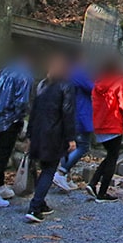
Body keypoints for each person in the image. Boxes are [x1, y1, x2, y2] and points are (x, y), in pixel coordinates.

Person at [25, 51, 76, 223]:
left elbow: (33, 111)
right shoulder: (66, 86)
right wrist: (71, 138)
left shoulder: (42, 85)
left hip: (39, 133)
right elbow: (68, 113)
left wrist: (29, 135)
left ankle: (40, 202)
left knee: (44, 168)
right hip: (54, 134)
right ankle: (35, 205)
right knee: (49, 169)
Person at [0, 53, 33, 208]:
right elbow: (22, 102)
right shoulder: (25, 76)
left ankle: (0, 186)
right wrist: (20, 118)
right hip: (10, 119)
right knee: (3, 157)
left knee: (2, 153)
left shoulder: (4, 70)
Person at [87, 54, 123, 203]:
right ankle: (102, 192)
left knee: (110, 155)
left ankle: (93, 183)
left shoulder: (97, 83)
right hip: (113, 123)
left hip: (99, 124)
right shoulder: (119, 81)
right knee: (113, 158)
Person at [53, 55, 94, 192]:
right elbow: (92, 88)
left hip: (71, 114)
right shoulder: (78, 72)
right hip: (80, 115)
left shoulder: (66, 74)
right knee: (82, 146)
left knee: (69, 147)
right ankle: (61, 173)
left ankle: (64, 176)